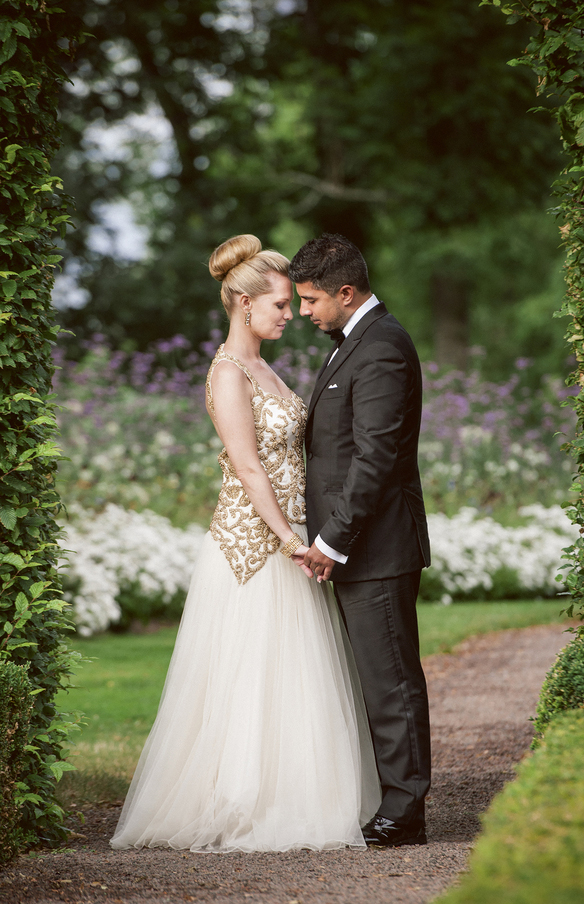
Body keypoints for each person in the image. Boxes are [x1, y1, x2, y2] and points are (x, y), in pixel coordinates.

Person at [110, 234, 380, 854]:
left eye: (293, 304)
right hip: (253, 547)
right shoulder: (228, 372)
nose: (292, 314)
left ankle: (301, 795)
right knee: (251, 676)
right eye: (281, 304)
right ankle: (243, 801)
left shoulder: (265, 367)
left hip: (292, 540)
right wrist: (290, 540)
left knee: (297, 675)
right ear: (242, 302)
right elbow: (249, 466)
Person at [289, 233, 431, 847]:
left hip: (376, 549)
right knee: (375, 680)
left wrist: (332, 540)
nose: (303, 312)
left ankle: (405, 813)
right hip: (360, 547)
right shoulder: (352, 343)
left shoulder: (382, 349)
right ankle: (388, 797)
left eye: (311, 299)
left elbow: (373, 459)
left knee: (391, 681)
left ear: (346, 293)